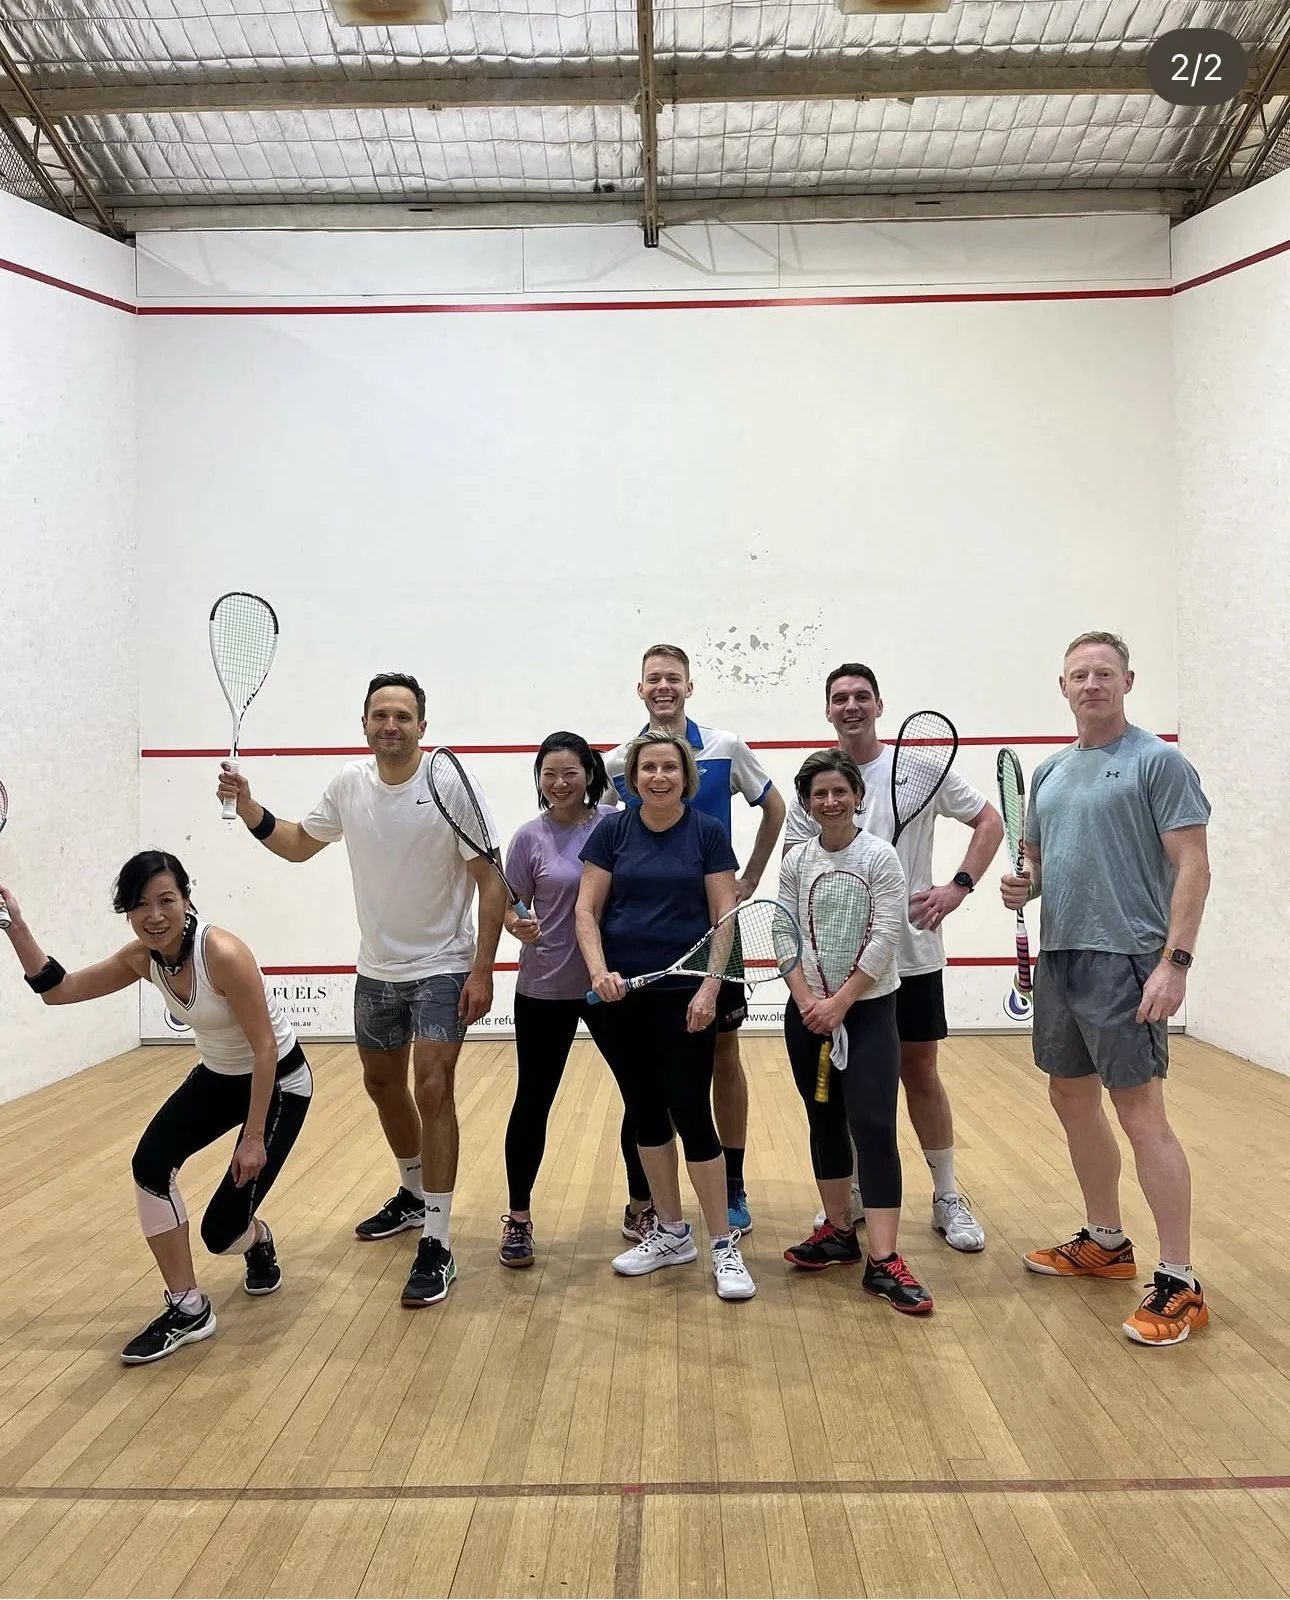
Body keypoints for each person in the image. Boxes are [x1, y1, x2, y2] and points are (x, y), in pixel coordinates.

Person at [216, 672, 506, 1310]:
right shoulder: (349, 786)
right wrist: (248, 806)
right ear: (365, 725)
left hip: (443, 964)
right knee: (382, 1087)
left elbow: (491, 879)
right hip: (377, 969)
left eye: (404, 716)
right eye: (381, 715)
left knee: (433, 1086)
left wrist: (483, 967)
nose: (391, 725)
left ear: (423, 728)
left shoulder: (449, 784)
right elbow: (297, 845)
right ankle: (411, 1191)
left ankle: (437, 1241)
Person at [1, 852, 311, 1365]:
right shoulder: (142, 958)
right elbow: (59, 990)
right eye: (141, 905)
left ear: (187, 900)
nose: (155, 915)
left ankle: (256, 1237)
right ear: (128, 910)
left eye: (166, 900)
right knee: (149, 1164)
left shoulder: (225, 953)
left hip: (278, 1082)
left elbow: (263, 1050)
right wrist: (17, 929)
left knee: (222, 1234)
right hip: (218, 1077)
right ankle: (188, 1308)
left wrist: (253, 1137)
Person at [1001, 631, 1212, 1347]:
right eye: (1078, 674)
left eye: (1104, 673)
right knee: (1070, 1098)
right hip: (1063, 957)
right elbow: (1036, 864)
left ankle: (1181, 1280)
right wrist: (1020, 885)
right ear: (1062, 687)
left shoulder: (1158, 763)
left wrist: (1174, 962)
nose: (1091, 684)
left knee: (1141, 1114)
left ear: (1127, 680)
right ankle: (1105, 1242)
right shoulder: (1052, 772)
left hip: (1129, 958)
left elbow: (1193, 865)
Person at [784, 663, 1003, 1251]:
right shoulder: (819, 780)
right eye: (839, 699)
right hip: (838, 970)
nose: (850, 706)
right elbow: (795, 862)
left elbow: (989, 819)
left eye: (860, 696)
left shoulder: (920, 768)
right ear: (827, 710)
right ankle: (852, 1192)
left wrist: (959, 885)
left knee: (919, 1075)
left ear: (879, 704)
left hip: (911, 955)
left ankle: (948, 1195)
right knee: (849, 1087)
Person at [605, 644, 786, 1233]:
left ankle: (731, 1184)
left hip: (712, 930)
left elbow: (775, 806)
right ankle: (655, 1201)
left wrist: (750, 875)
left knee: (724, 1053)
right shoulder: (619, 762)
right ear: (640, 688)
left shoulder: (724, 748)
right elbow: (598, 826)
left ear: (689, 686)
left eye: (672, 679)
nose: (663, 686)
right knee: (648, 1074)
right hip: (644, 942)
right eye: (653, 678)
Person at [575, 730, 756, 1300]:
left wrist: (709, 987)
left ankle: (722, 1244)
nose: (658, 776)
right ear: (632, 777)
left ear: (686, 776)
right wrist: (599, 970)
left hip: (686, 996)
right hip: (622, 996)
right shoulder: (612, 829)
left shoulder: (706, 832)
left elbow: (723, 916)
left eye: (669, 768)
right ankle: (673, 1233)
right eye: (648, 767)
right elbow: (586, 908)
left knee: (690, 1110)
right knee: (646, 1112)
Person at [778, 752, 934, 1312]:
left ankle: (884, 1260)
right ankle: (840, 1233)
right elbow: (783, 927)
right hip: (808, 1015)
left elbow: (886, 933)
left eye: (839, 791)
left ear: (856, 797)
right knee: (824, 1121)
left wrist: (840, 1003)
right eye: (818, 793)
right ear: (807, 802)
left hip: (866, 1012)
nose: (830, 801)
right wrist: (805, 1001)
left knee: (872, 1126)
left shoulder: (880, 856)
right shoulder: (797, 861)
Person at [498, 732, 654, 1267]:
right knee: (533, 1101)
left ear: (590, 774)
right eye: (549, 774)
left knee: (641, 1093)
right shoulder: (528, 838)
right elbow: (509, 900)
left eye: (570, 772)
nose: (559, 783)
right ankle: (518, 1220)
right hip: (543, 987)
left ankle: (641, 1206)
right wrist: (515, 922)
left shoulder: (613, 827)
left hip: (609, 986)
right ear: (539, 779)